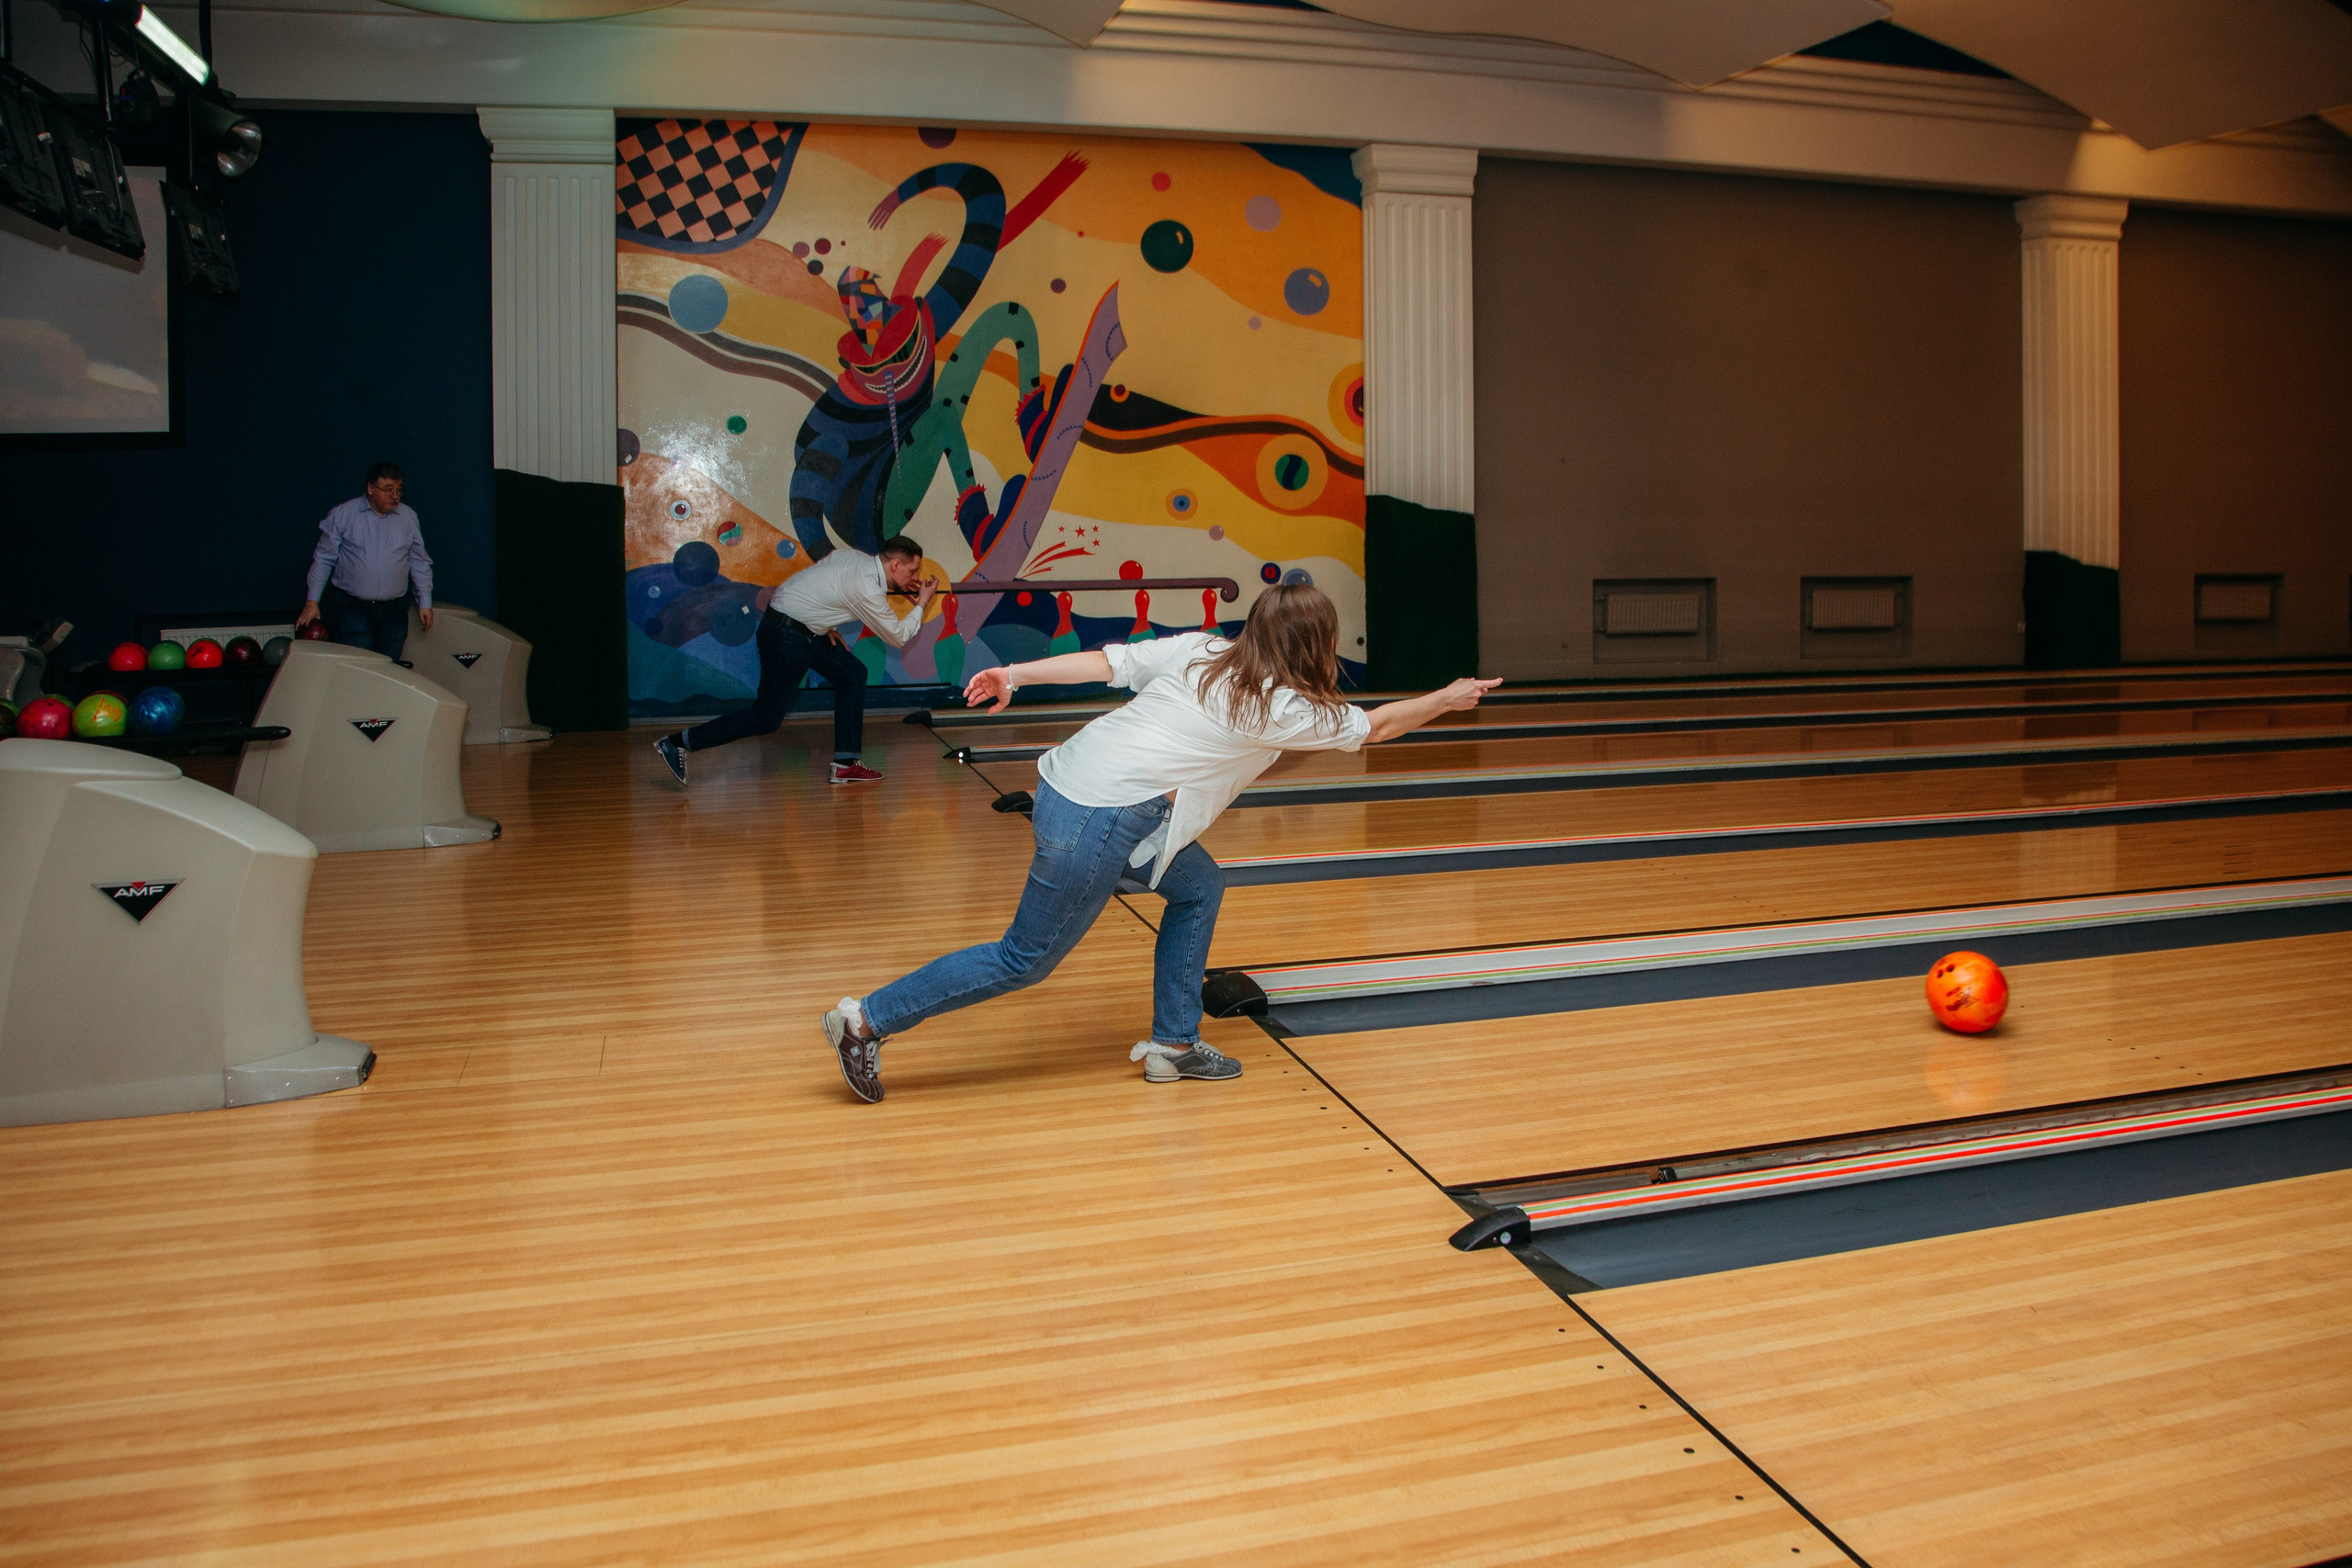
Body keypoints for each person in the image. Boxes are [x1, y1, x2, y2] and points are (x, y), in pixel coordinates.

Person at [820, 583, 1501, 1102]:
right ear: (1315, 644)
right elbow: (1374, 729)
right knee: (1022, 959)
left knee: (1199, 885)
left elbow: (1107, 661)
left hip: (1069, 787)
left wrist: (1014, 674)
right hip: (1102, 818)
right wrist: (1447, 696)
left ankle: (1174, 1043)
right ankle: (867, 1020)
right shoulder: (1282, 706)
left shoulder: (1203, 649)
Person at [654, 535, 935, 786]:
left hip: (804, 629)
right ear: (896, 566)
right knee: (766, 717)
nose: (915, 577)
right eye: (912, 570)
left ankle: (845, 764)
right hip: (787, 637)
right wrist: (922, 601)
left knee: (853, 673)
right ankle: (679, 743)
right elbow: (898, 637)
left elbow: (822, 583)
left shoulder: (854, 557)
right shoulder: (867, 588)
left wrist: (825, 622)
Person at [296, 461, 434, 661]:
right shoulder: (343, 515)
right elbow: (324, 559)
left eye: (398, 490)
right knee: (361, 667)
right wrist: (312, 602)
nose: (394, 496)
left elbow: (419, 561)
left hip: (394, 610)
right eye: (388, 490)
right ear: (370, 488)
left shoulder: (408, 517)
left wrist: (425, 602)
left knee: (389, 667)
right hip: (353, 607)